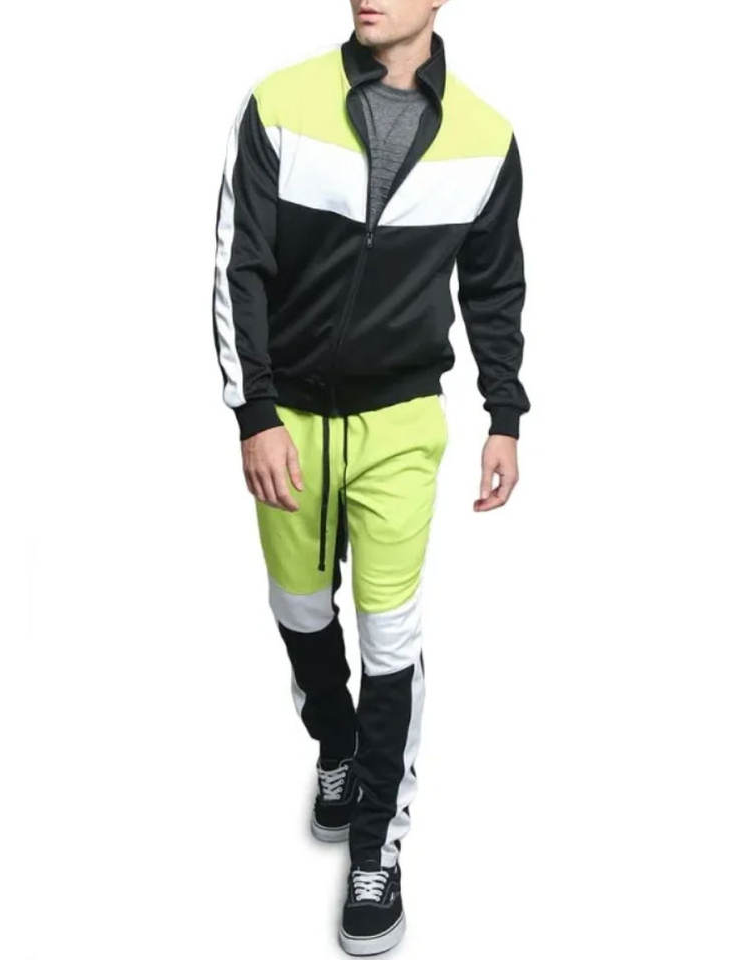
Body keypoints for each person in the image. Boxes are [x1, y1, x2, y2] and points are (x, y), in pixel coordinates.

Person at [211, 1, 529, 953]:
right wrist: (255, 414)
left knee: (391, 634)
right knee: (300, 609)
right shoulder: (280, 103)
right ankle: (337, 741)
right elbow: (239, 267)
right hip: (291, 423)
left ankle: (374, 843)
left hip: (401, 425)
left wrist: (504, 414)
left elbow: (494, 284)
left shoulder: (486, 137)